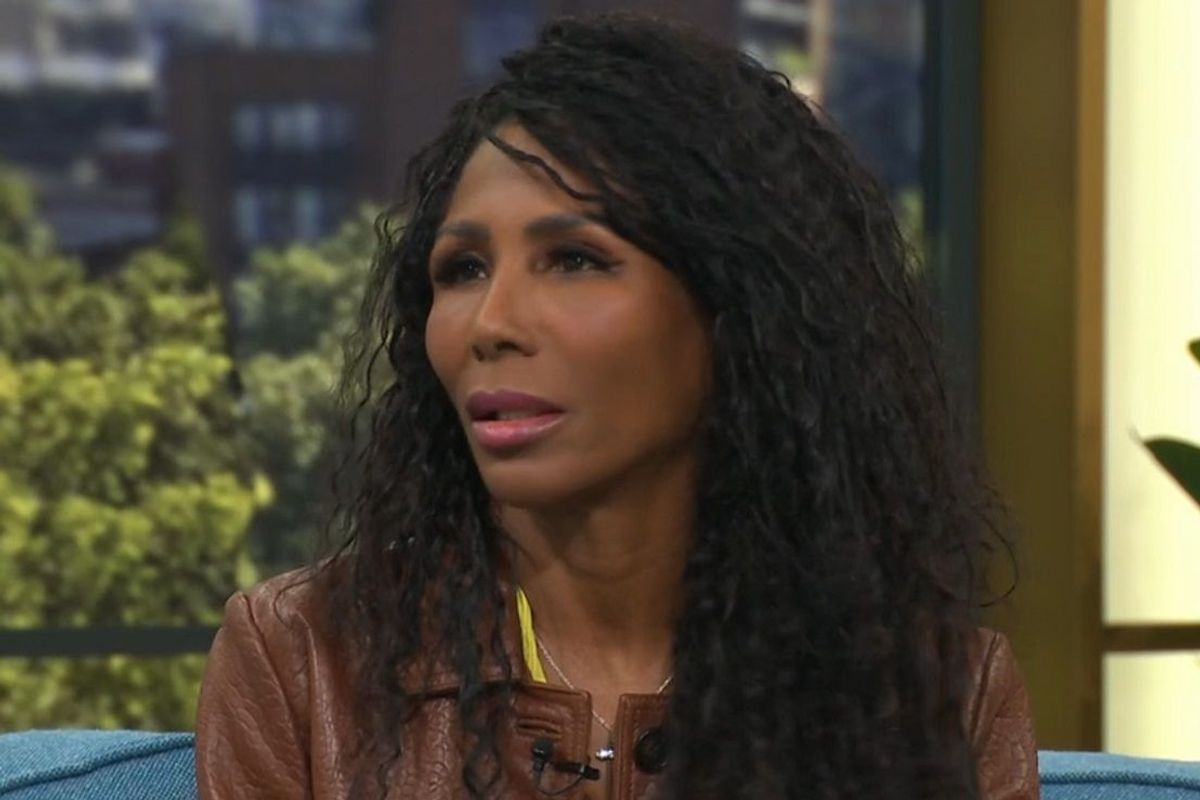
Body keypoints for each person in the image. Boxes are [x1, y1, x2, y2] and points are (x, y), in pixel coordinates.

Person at [196, 13, 1039, 800]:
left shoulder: (939, 694)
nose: (490, 324)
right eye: (463, 269)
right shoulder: (304, 661)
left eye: (574, 259)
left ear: (739, 310)